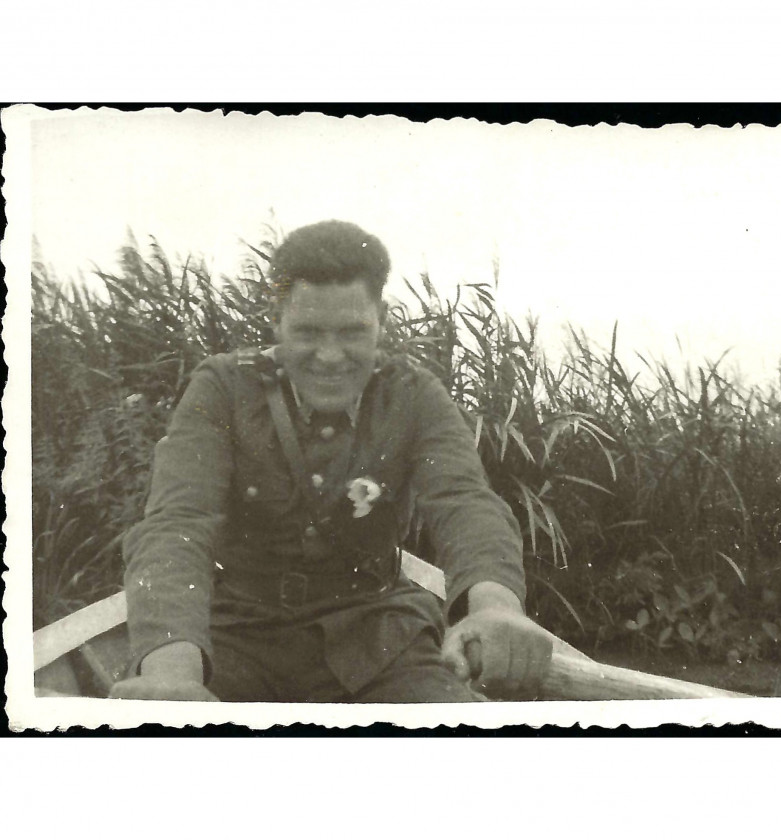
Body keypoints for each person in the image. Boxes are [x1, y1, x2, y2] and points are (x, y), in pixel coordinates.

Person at [111, 220, 559, 703]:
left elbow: (465, 502)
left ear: (381, 319)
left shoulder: (414, 394)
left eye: (352, 332)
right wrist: (173, 671)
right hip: (236, 635)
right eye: (307, 332)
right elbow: (178, 525)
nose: (330, 356)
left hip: (377, 640)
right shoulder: (221, 387)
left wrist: (496, 607)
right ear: (276, 316)